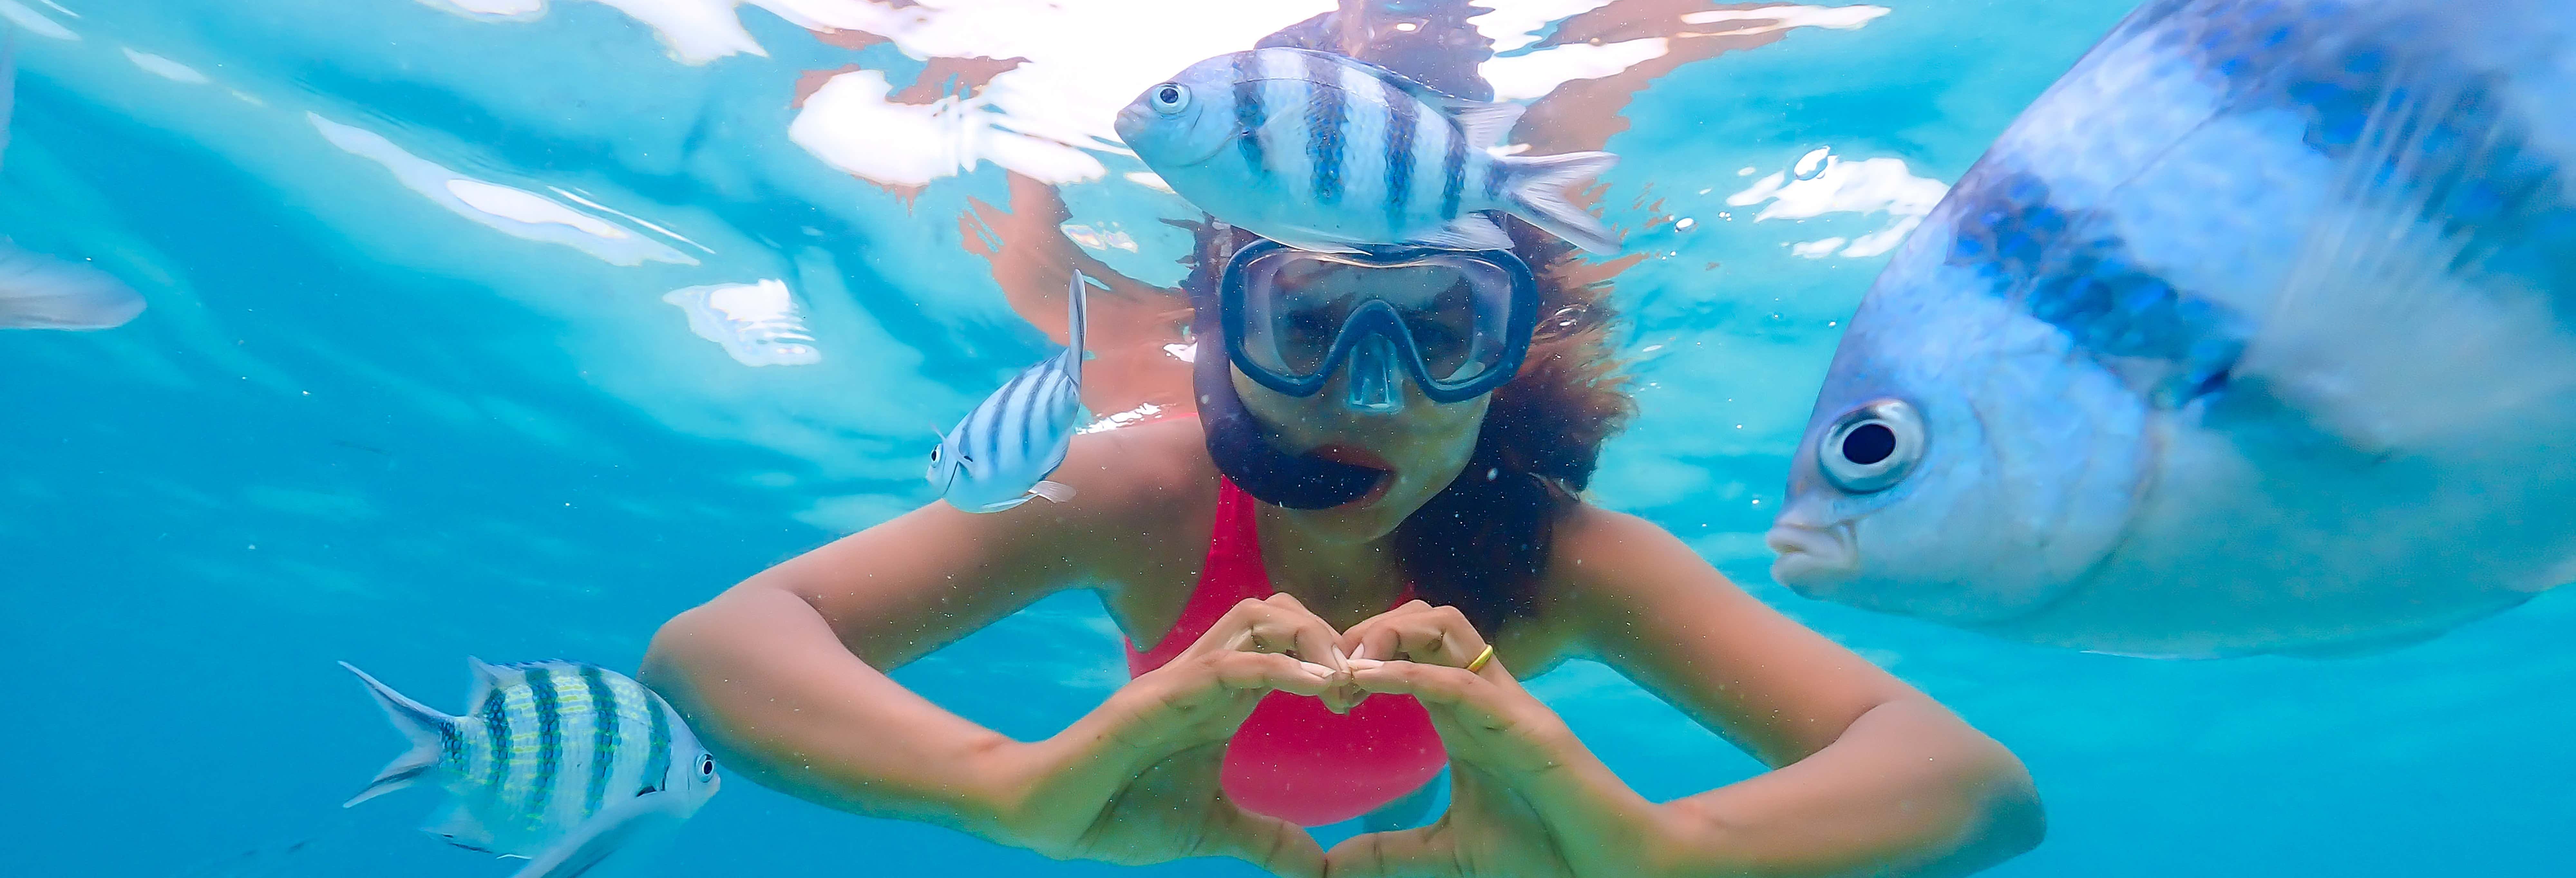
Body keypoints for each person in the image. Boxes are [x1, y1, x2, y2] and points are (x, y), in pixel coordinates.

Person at [640, 8, 2044, 878]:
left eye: (1441, 328)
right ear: (1218, 327)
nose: (1372, 395)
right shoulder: (1146, 489)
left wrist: (1668, 853)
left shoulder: (1560, 559)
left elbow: (1976, 786)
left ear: (1515, 351)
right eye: (1308, 321)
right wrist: (993, 788)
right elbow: (712, 652)